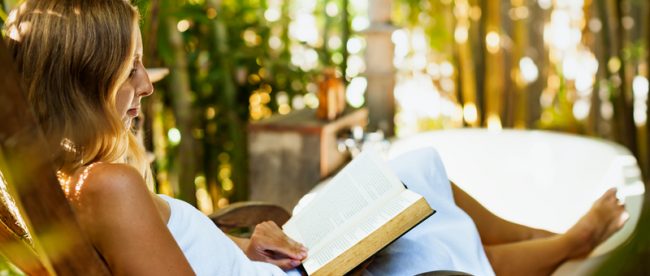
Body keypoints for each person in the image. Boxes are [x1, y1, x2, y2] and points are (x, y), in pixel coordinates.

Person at [4, 0, 628, 275]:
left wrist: (249, 243)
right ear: (88, 79)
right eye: (131, 68)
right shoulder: (106, 184)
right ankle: (574, 243)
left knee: (414, 174)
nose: (146, 83)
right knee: (416, 243)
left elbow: (187, 259)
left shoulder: (80, 184)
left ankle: (552, 239)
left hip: (275, 266)